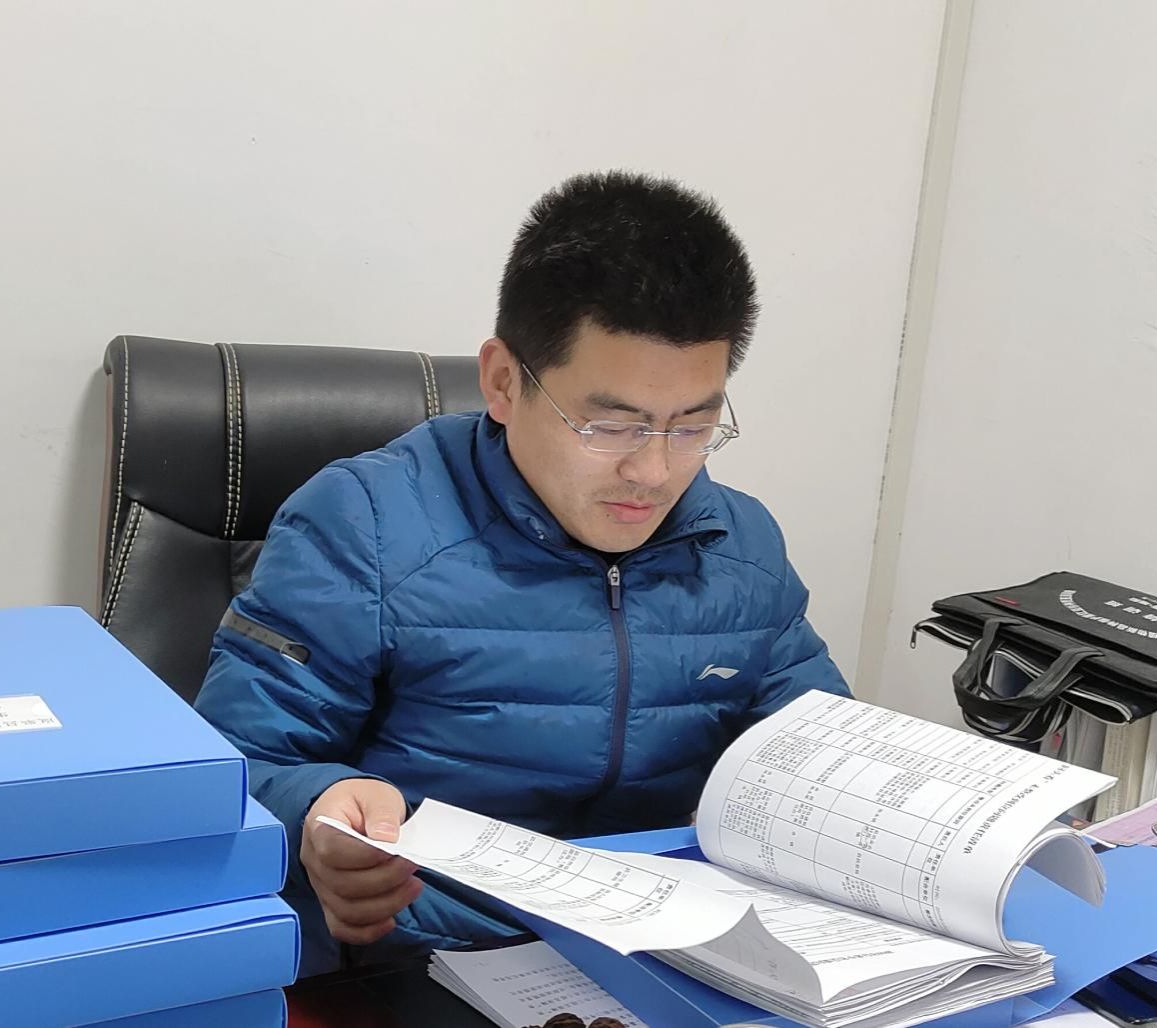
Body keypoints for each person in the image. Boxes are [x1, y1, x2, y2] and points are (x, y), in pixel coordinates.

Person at [193, 170, 851, 974]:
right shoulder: (363, 525)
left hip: (661, 960)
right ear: (503, 381)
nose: (653, 473)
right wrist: (317, 811)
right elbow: (231, 767)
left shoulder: (739, 545)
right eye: (610, 425)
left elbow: (823, 758)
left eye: (692, 427)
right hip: (426, 957)